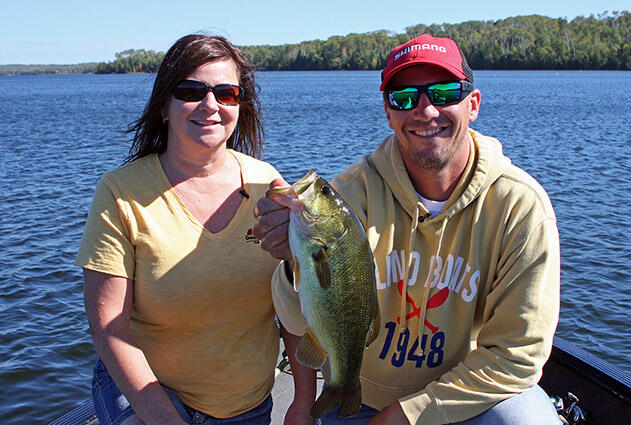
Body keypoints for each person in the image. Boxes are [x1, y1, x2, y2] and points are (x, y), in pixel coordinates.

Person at [253, 34, 561, 425]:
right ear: (388, 112)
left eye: (445, 92)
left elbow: (519, 354)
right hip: (359, 394)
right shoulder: (350, 197)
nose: (425, 110)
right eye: (404, 97)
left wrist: (406, 415)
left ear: (474, 104)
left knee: (528, 419)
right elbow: (299, 319)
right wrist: (291, 262)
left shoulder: (519, 206)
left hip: (462, 396)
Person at [77, 34, 283, 425]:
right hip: (149, 398)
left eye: (226, 93)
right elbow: (109, 328)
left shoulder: (267, 184)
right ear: (163, 106)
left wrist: (303, 401)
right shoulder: (120, 193)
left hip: (248, 405)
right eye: (191, 91)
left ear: (241, 105)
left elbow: (295, 297)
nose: (210, 105)